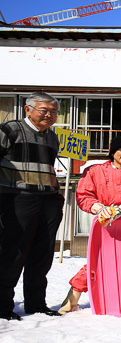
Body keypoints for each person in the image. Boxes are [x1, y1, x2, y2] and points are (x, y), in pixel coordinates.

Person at [58, 136, 121, 313]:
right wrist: (98, 207)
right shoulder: (95, 171)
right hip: (106, 226)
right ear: (112, 152)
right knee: (98, 261)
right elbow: (84, 196)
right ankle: (73, 295)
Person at [0, 92, 64, 320]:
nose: (49, 115)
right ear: (28, 109)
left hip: (47, 199)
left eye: (54, 111)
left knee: (43, 253)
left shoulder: (53, 137)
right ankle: (2, 306)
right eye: (44, 110)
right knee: (13, 252)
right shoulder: (10, 129)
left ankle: (36, 304)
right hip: (16, 197)